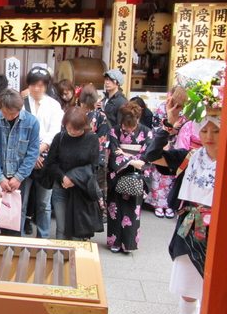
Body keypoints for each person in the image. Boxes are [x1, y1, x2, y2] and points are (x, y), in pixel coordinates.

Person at [144, 100, 220, 314]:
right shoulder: (189, 157)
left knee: (218, 289)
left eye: (216, 131)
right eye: (205, 130)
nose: (209, 137)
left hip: (221, 230)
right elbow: (152, 155)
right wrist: (168, 124)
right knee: (189, 289)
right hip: (190, 227)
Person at [0, 88, 40, 235]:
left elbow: (32, 152)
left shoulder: (31, 122)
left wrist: (19, 177)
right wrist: (0, 178)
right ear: (0, 108)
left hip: (22, 177)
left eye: (13, 113)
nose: (10, 116)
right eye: (6, 113)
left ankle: (15, 245)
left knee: (18, 211)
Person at [45, 107, 102, 240]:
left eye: (77, 129)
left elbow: (94, 166)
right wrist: (63, 177)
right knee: (62, 228)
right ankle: (60, 257)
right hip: (61, 187)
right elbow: (50, 163)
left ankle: (76, 259)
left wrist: (73, 178)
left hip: (81, 190)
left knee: (78, 230)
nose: (72, 131)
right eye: (69, 128)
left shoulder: (91, 139)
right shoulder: (60, 137)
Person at [21, 67, 64, 239]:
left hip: (46, 159)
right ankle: (20, 236)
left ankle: (43, 238)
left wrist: (38, 152)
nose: (37, 88)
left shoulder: (53, 105)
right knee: (22, 202)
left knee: (44, 203)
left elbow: (54, 132)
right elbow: (19, 131)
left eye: (40, 85)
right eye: (33, 84)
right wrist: (32, 155)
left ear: (46, 86)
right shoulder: (21, 104)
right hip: (24, 159)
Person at [106, 102, 153, 253]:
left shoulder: (147, 133)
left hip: (137, 177)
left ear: (138, 120)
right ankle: (115, 242)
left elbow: (146, 159)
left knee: (133, 210)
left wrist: (126, 156)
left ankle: (129, 244)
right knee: (115, 209)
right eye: (124, 126)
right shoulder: (114, 131)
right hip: (117, 175)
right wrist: (134, 159)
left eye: (130, 126)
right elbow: (114, 155)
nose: (126, 129)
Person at [144, 87, 187, 219]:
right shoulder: (161, 108)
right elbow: (155, 129)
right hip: (163, 143)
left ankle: (170, 205)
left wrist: (178, 131)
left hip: (178, 143)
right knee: (159, 175)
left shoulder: (188, 112)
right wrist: (169, 126)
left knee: (173, 179)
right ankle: (158, 204)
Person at [78, 84, 111, 214]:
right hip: (94, 157)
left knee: (92, 190)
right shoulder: (100, 116)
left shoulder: (98, 116)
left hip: (90, 158)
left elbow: (102, 140)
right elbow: (102, 140)